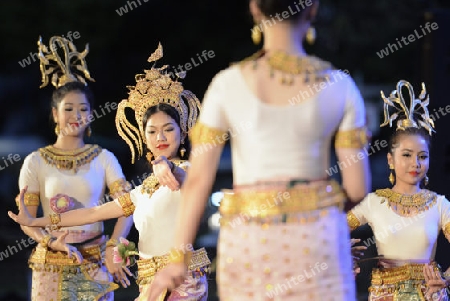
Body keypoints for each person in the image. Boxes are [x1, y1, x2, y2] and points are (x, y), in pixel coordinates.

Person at [135, 0, 371, 300]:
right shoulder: (340, 86)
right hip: (318, 238)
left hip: (249, 238)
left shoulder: (227, 85)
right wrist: (315, 212)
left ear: (256, 9)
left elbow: (198, 182)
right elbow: (358, 187)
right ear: (311, 9)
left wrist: (177, 260)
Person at [9, 43, 211, 301]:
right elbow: (94, 212)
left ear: (182, 132)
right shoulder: (142, 191)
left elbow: (187, 180)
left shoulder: (183, 171)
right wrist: (36, 222)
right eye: (151, 131)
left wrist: (166, 165)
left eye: (168, 129)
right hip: (147, 283)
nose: (160, 136)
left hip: (181, 279)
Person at [14, 35, 134, 301]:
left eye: (83, 108)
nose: (76, 115)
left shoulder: (104, 158)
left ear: (91, 114)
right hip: (51, 261)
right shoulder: (36, 161)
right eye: (68, 108)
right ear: (55, 114)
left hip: (96, 261)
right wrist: (48, 240)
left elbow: (128, 207)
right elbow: (27, 217)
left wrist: (115, 246)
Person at [347, 79, 450, 300]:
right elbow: (331, 230)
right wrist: (342, 254)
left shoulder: (440, 204)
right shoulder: (374, 202)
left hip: (430, 295)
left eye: (422, 157)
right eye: (407, 155)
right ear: (390, 160)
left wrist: (446, 279)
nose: (416, 163)